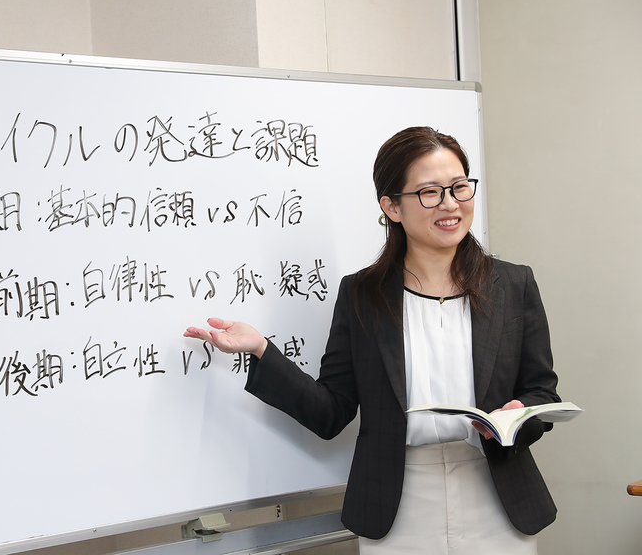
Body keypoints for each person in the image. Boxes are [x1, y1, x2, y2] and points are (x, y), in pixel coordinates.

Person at [184, 126, 561, 554]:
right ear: (391, 206)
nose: (450, 204)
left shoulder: (513, 284)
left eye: (459, 187)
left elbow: (541, 392)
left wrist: (518, 415)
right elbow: (331, 412)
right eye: (430, 192)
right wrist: (261, 349)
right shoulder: (362, 294)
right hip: (396, 501)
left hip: (497, 492)